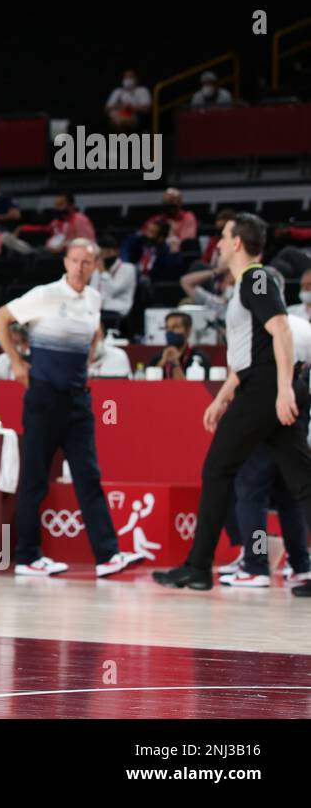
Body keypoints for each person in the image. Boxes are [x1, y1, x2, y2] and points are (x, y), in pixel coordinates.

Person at [153, 214, 311, 593]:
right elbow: (250, 350)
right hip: (262, 384)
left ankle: (198, 566)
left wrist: (284, 388)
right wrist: (224, 395)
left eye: (223, 237)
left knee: (217, 470)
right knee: (303, 481)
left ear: (238, 242)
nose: (219, 244)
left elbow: (281, 329)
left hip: (266, 389)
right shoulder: (247, 283)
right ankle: (200, 566)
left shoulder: (256, 278)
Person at [0, 238, 143, 577]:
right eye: (74, 261)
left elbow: (92, 337)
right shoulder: (46, 294)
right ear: (65, 262)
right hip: (43, 398)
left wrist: (85, 364)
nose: (79, 268)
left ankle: (108, 555)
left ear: (95, 266)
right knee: (35, 479)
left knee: (89, 476)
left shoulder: (94, 299)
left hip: (78, 400)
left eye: (86, 263)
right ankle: (28, 557)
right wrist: (17, 363)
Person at [218, 315, 311, 587]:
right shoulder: (301, 325)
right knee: (287, 490)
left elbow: (240, 373)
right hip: (297, 396)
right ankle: (300, 563)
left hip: (265, 400)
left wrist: (223, 402)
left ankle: (256, 564)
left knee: (251, 488)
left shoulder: (251, 327)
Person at [150, 311, 212, 380]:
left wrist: (175, 363)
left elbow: (194, 388)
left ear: (188, 331)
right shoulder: (158, 357)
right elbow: (147, 385)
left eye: (175, 327)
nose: (170, 331)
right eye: (167, 327)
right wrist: (162, 362)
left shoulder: (199, 358)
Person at [93, 235, 135, 328]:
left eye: (107, 252)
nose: (103, 256)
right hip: (98, 310)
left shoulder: (128, 268)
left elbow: (114, 290)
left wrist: (103, 272)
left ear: (116, 251)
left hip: (117, 310)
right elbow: (92, 291)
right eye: (101, 253)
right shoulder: (97, 270)